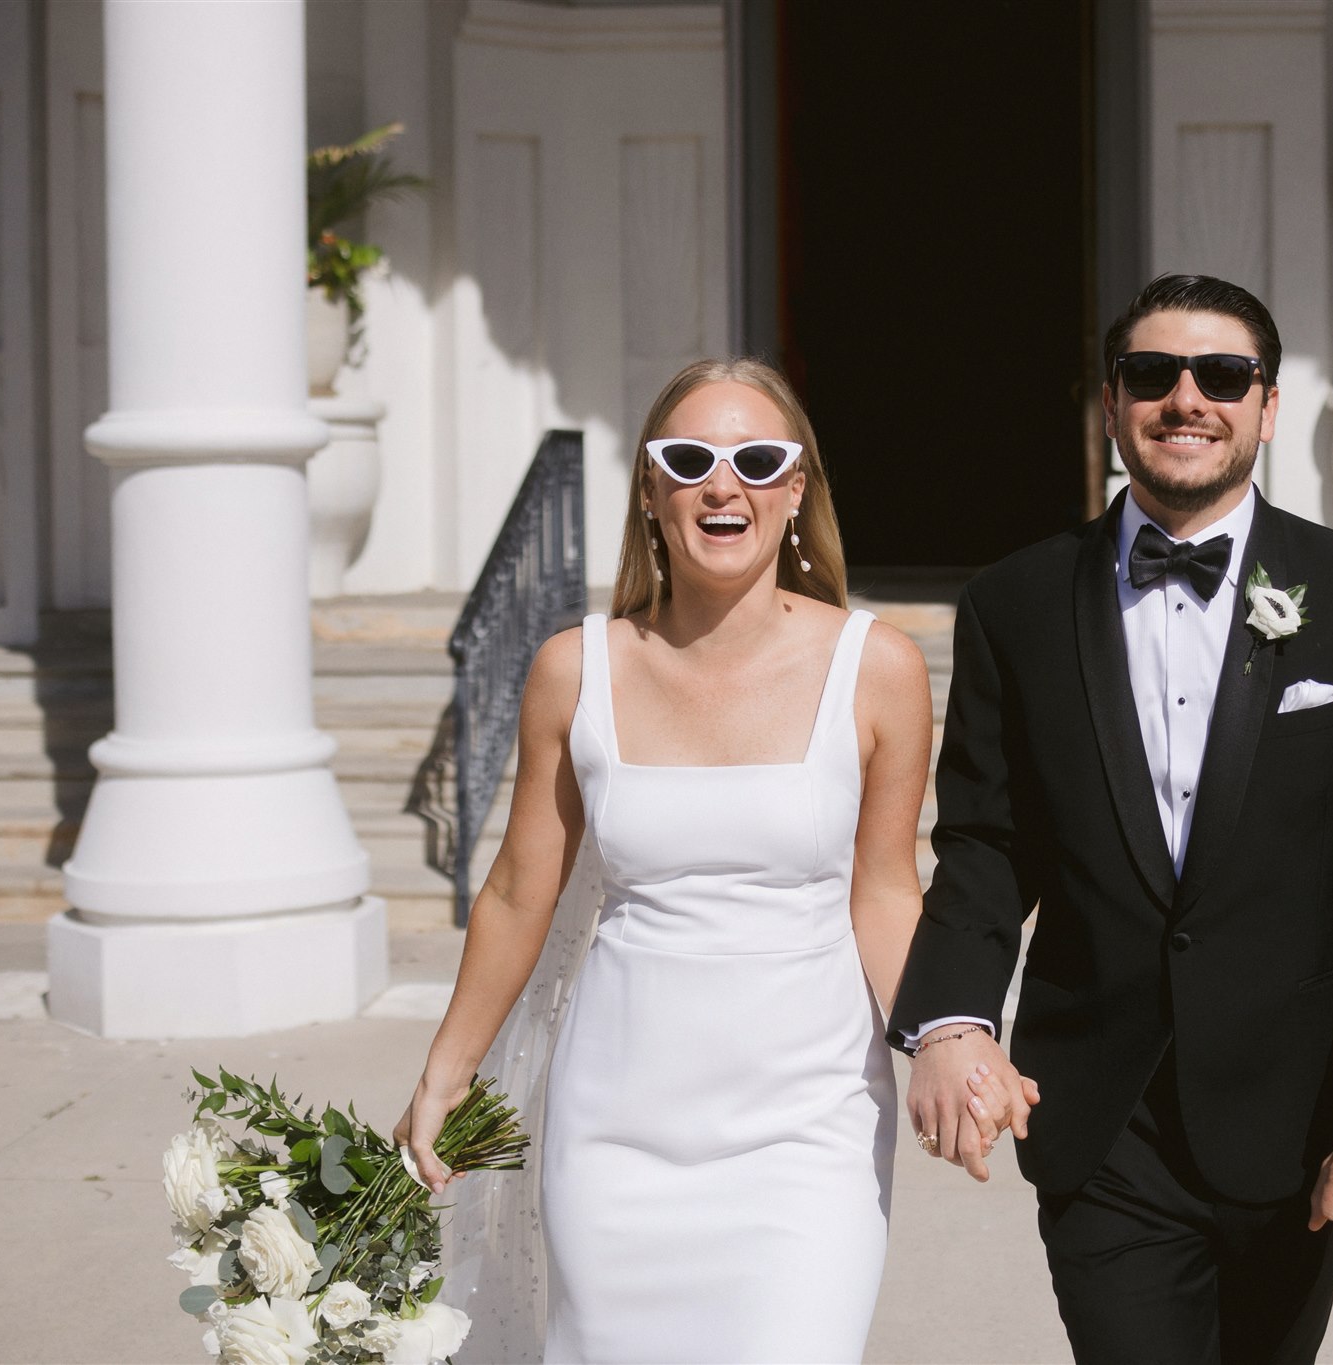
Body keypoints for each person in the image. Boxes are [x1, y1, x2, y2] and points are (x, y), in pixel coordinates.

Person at [892, 274, 1333, 1363]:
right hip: (1099, 1121)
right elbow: (985, 841)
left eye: (1220, 375)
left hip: (1302, 1115)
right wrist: (950, 1019)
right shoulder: (1013, 603)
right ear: (1110, 405)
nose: (1185, 399)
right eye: (1151, 375)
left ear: (1265, 406)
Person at [395, 358, 976, 1363]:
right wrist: (447, 1070)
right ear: (651, 490)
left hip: (809, 1125)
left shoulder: (875, 666)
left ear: (795, 490)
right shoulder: (572, 668)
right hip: (614, 1130)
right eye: (689, 459)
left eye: (756, 459)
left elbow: (884, 892)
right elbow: (515, 891)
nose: (723, 484)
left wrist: (943, 1041)